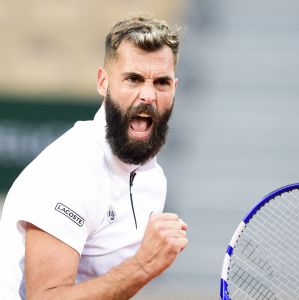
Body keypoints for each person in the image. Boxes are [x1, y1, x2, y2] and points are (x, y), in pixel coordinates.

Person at [0, 15, 188, 299]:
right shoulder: (69, 170)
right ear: (103, 82)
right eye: (133, 79)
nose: (148, 94)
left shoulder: (153, 179)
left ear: (175, 88)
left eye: (161, 83)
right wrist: (144, 265)